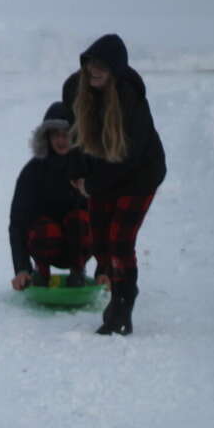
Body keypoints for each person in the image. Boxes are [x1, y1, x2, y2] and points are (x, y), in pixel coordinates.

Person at [62, 33, 166, 336]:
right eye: (91, 64)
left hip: (139, 175)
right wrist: (77, 175)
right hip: (102, 170)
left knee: (121, 241)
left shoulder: (130, 98)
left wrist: (92, 185)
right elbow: (75, 137)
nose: (94, 71)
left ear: (116, 71)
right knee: (100, 241)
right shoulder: (75, 89)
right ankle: (115, 291)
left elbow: (129, 156)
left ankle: (123, 303)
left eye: (102, 68)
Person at [8, 101, 93, 291]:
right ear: (46, 136)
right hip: (45, 244)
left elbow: (104, 218)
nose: (61, 141)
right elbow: (18, 223)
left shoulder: (87, 169)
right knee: (44, 228)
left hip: (79, 245)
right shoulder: (33, 172)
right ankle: (41, 274)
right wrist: (22, 269)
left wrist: (105, 270)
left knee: (80, 220)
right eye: (56, 134)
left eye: (67, 135)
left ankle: (78, 272)